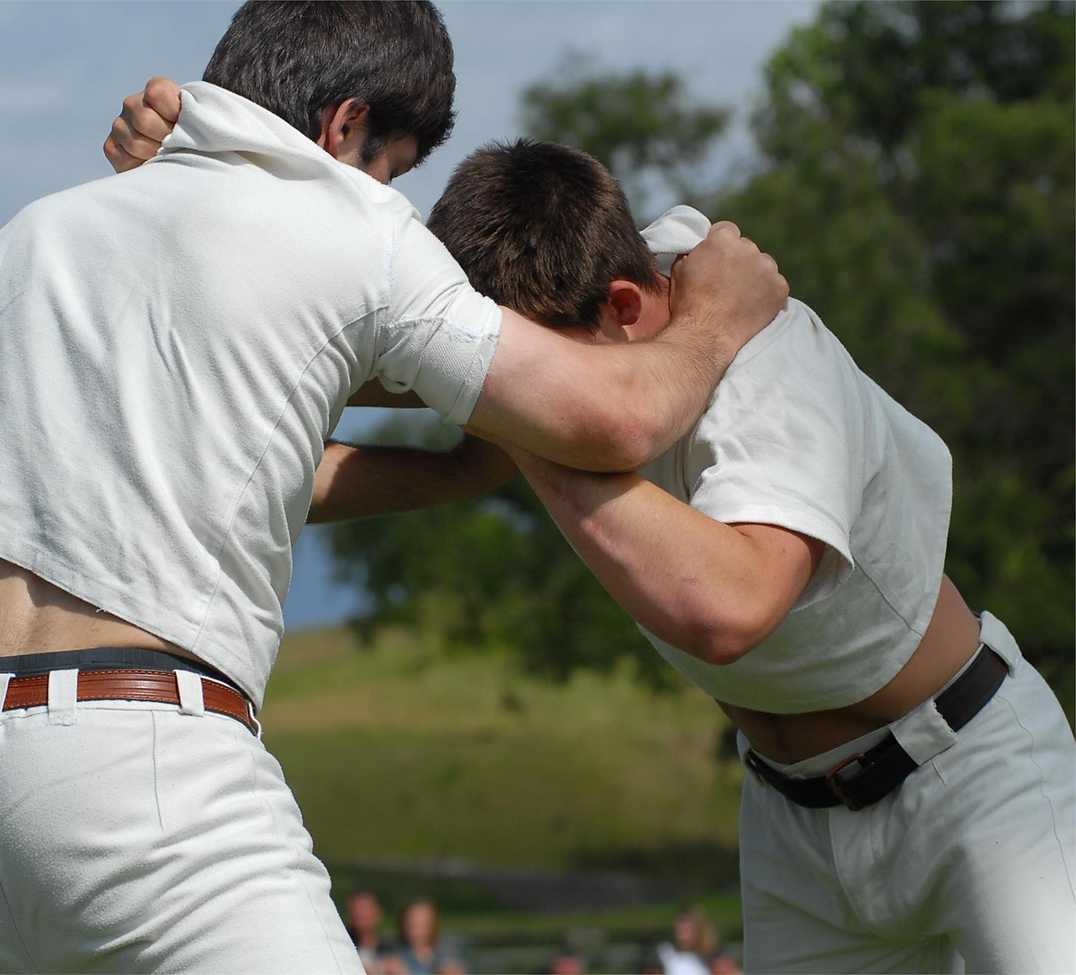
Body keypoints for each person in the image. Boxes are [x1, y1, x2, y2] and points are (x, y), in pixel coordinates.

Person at [0, 5, 787, 974]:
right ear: (346, 125)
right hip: (134, 763)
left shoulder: (36, 235)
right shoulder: (350, 224)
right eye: (392, 167)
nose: (388, 195)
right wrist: (717, 318)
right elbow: (618, 417)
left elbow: (233, 459)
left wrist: (459, 469)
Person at [420, 139, 1076, 973]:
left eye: (538, 373)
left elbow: (731, 606)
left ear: (624, 305)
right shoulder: (581, 302)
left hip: (974, 784)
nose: (533, 401)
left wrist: (509, 414)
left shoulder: (770, 358)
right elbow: (357, 355)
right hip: (789, 825)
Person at [345, 889, 393, 973]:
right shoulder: (342, 945)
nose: (361, 914)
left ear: (379, 913)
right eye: (357, 909)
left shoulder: (390, 948)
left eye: (367, 909)